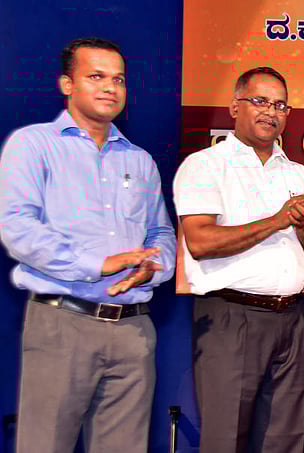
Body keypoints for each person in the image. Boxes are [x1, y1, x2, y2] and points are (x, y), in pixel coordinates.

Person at [0, 37, 175, 452]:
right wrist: (99, 263)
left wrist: (155, 265)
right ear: (67, 84)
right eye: (96, 76)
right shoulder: (33, 145)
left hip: (133, 328)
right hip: (63, 324)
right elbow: (16, 227)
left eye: (118, 79)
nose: (110, 88)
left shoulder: (140, 160)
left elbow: (161, 235)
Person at [173, 66, 304, 453]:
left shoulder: (299, 174)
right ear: (234, 106)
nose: (271, 112)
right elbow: (200, 242)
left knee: (284, 440)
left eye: (280, 104)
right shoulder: (204, 165)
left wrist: (302, 224)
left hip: (292, 319)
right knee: (225, 439)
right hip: (232, 317)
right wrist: (278, 219)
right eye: (260, 101)